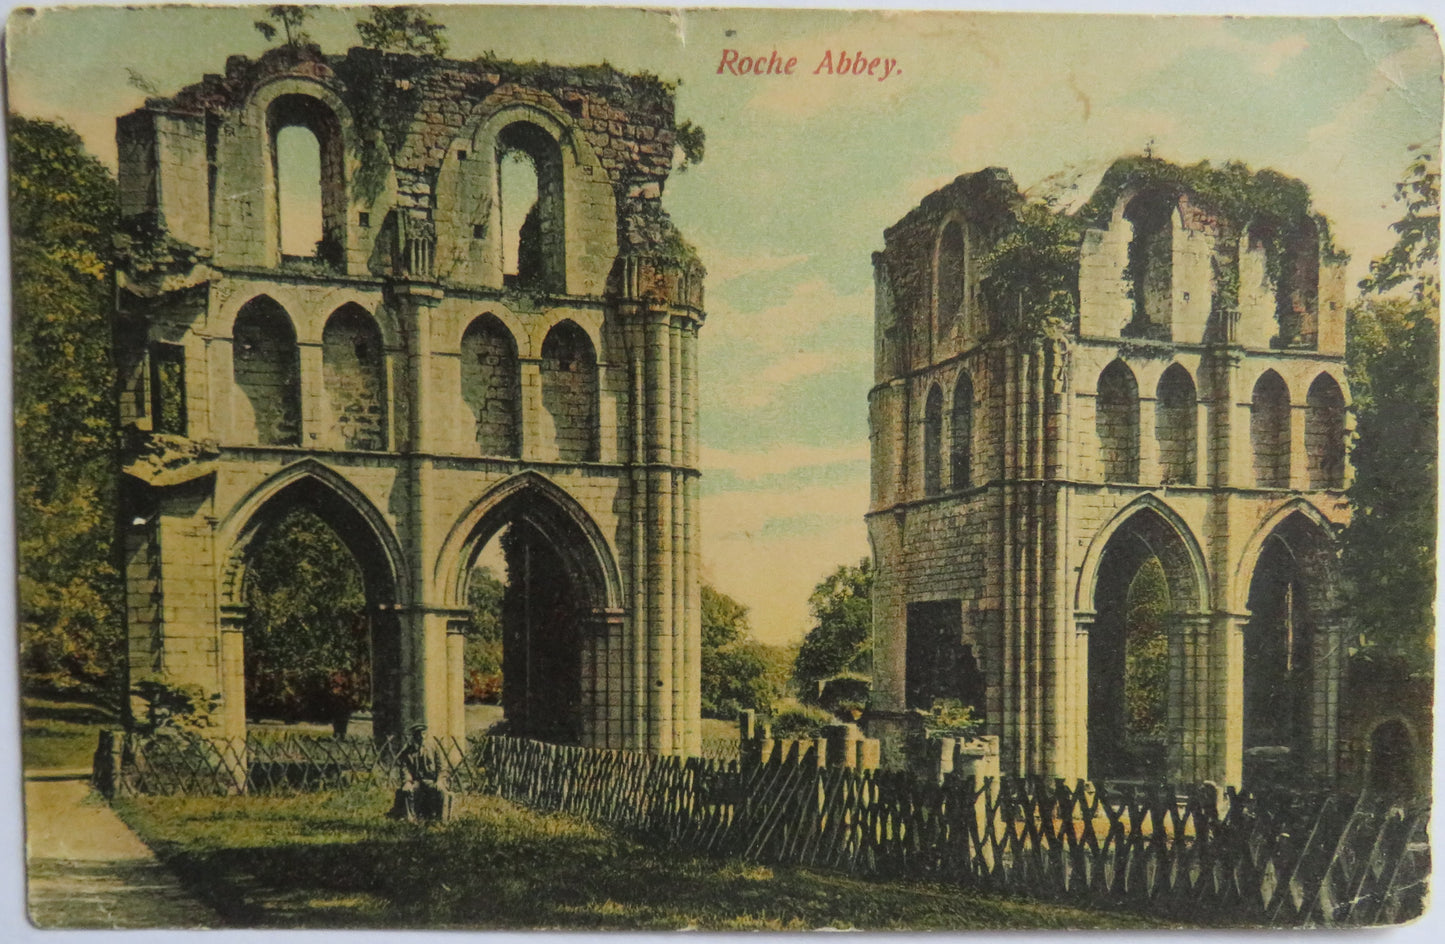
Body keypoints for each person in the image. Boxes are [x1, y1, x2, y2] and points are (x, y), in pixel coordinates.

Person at [388, 722, 449, 822]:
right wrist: (407, 781)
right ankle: (411, 819)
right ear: (414, 736)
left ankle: (439, 820)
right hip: (416, 781)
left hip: (431, 779)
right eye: (418, 734)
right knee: (407, 791)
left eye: (424, 734)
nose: (421, 737)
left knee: (441, 791)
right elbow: (404, 768)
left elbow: (442, 766)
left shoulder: (433, 747)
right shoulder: (408, 751)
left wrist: (439, 780)